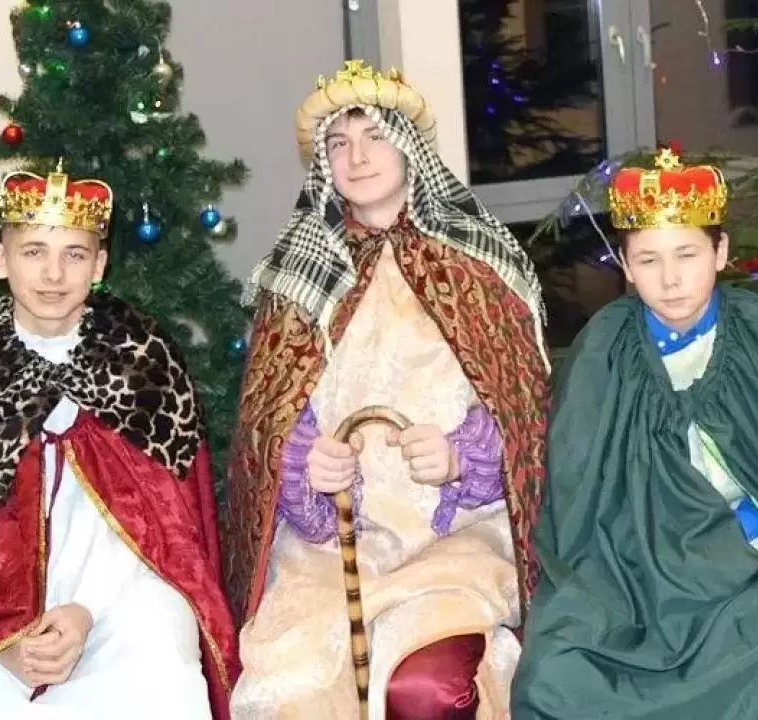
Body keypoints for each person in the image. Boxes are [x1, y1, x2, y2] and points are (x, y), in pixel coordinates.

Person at [224, 60, 549, 719]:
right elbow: (270, 418)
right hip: (333, 550)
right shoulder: (298, 277)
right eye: (339, 144)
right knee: (299, 688)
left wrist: (462, 459)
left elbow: (525, 412)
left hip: (456, 544)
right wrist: (306, 467)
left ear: (409, 147)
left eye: (375, 136)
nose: (357, 157)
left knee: (420, 688)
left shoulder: (479, 266)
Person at [511, 150, 758, 719]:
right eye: (649, 259)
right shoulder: (603, 349)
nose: (670, 279)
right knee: (555, 673)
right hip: (629, 557)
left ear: (721, 252)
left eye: (687, 254)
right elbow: (577, 491)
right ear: (625, 266)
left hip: (753, 547)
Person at [0, 162, 239, 719]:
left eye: (74, 255)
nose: (53, 274)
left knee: (161, 660)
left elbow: (170, 526)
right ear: (1, 259)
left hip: (123, 588)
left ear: (99, 265)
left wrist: (87, 610)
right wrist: (0, 639)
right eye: (34, 251)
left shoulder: (141, 361)